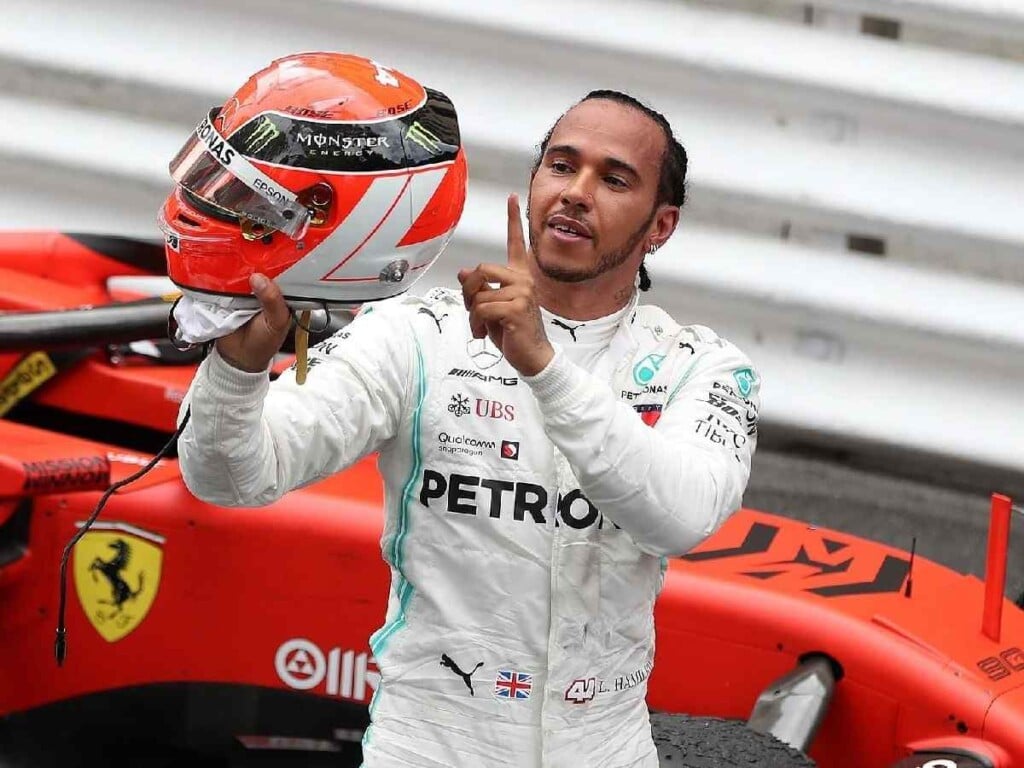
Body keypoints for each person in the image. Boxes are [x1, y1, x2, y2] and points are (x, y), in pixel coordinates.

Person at [178, 89, 761, 767]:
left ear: (660, 227)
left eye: (614, 178)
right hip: (427, 748)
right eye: (561, 166)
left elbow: (679, 516)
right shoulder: (418, 334)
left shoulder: (705, 367)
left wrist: (542, 365)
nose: (575, 192)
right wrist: (235, 371)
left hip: (607, 749)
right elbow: (227, 479)